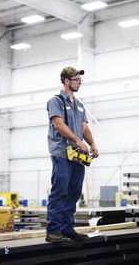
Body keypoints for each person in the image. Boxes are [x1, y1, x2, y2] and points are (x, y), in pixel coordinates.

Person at [45, 66, 99, 242]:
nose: (79, 83)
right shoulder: (56, 101)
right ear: (67, 81)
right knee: (60, 191)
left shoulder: (80, 105)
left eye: (80, 80)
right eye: (76, 80)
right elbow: (59, 125)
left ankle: (67, 229)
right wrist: (77, 140)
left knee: (74, 192)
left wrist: (92, 144)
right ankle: (53, 231)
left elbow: (84, 127)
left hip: (78, 155)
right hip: (62, 152)